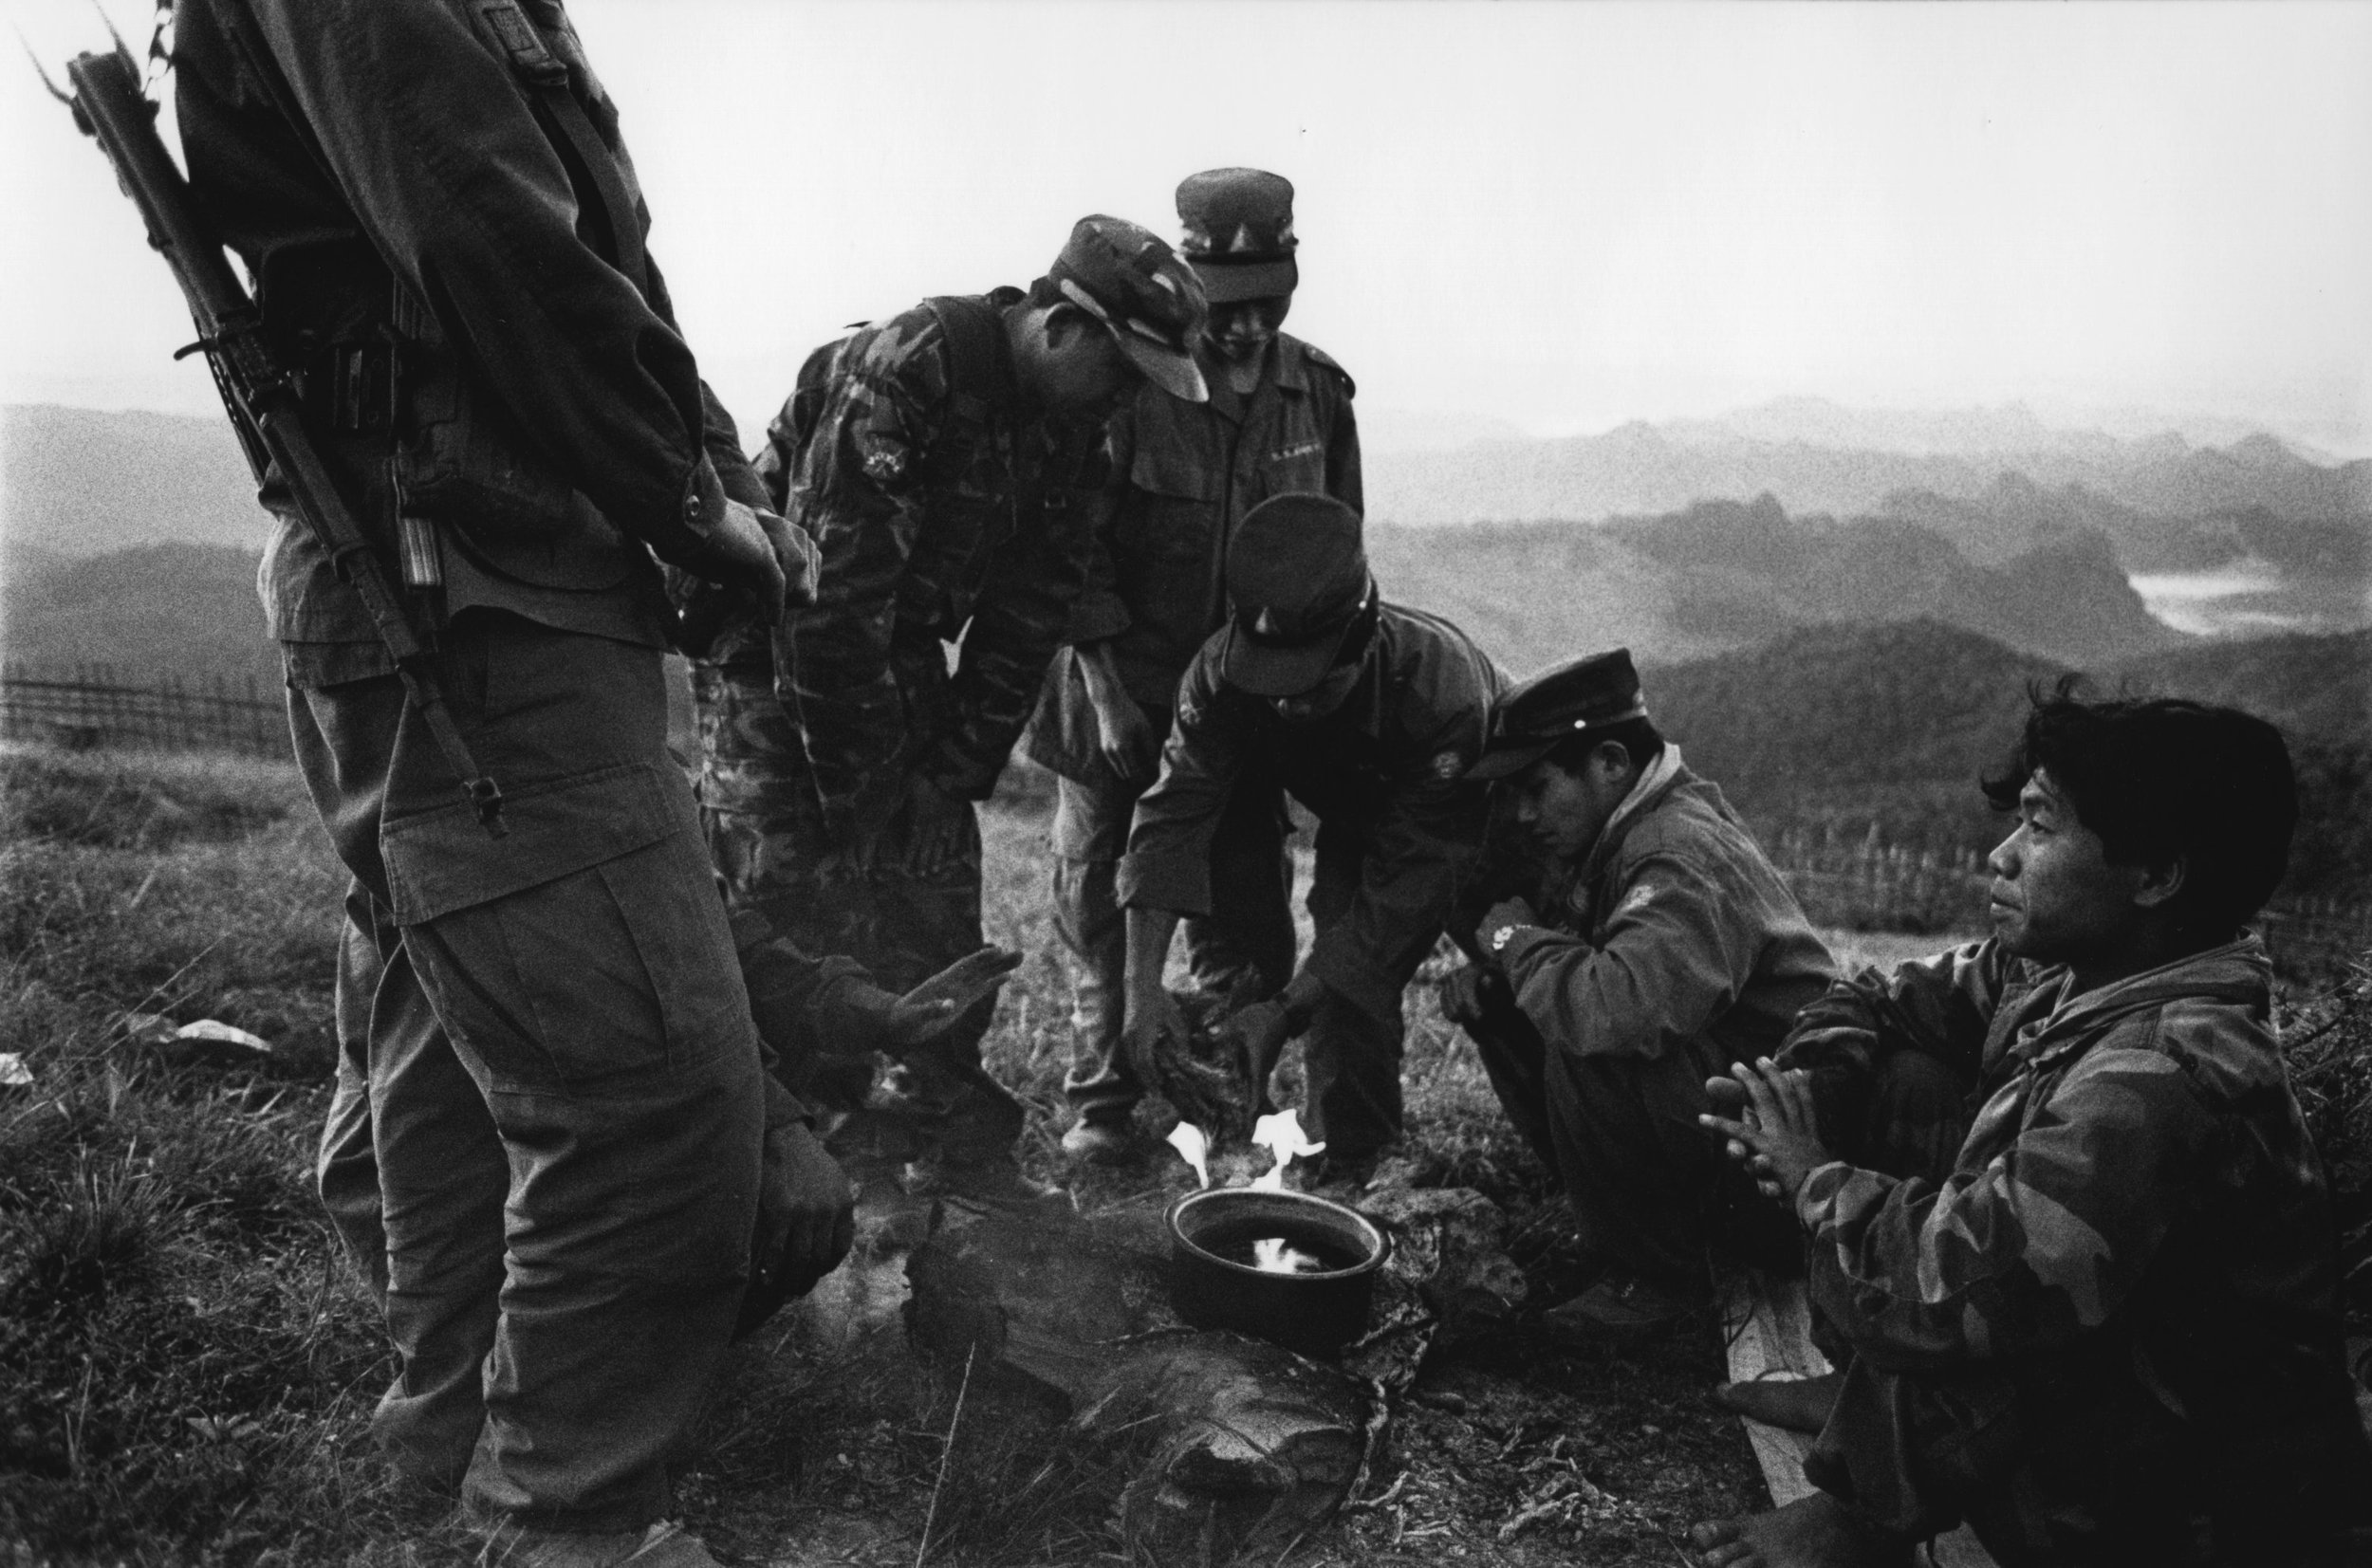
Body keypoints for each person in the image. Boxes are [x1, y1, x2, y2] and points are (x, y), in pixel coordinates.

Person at [172, 0, 846, 1562]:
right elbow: (493, 242)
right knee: (651, 1116)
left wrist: (719, 486)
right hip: (479, 590)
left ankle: (451, 1425)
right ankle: (562, 1528)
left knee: (452, 1034)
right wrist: (695, 507)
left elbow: (596, 271)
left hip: (466, 583)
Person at [1694, 688, 2372, 1568]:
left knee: (1990, 1286)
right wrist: (1817, 1087)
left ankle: (1861, 1515)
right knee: (1898, 1077)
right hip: (2119, 1396)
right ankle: (1860, 1400)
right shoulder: (2073, 971)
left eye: (2041, 828)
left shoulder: (2167, 1075)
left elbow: (1964, 1289)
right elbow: (1874, 997)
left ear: (2156, 875)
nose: (2002, 855)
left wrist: (1813, 1173)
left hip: (2197, 1498)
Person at [691, 217, 1207, 1182]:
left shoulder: (1074, 435)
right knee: (794, 907)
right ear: (1060, 328)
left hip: (896, 657)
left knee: (932, 900)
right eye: (1123, 371)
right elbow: (829, 611)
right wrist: (869, 804)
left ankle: (936, 1148)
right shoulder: (908, 371)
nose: (1127, 401)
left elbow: (1025, 622)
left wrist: (946, 782)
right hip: (771, 655)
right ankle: (782, 1160)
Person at [1025, 168, 1362, 1162]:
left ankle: (1223, 1107)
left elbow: (1336, 550)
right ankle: (1104, 1111)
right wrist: (1103, 690)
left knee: (1246, 928)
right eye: (1228, 309)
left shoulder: (1319, 395)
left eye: (1266, 308)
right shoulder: (1142, 382)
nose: (1246, 330)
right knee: (1104, 918)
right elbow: (1069, 546)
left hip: (1246, 714)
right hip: (1116, 703)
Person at [1441, 651, 1836, 1337]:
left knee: (1597, 1031)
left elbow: (1619, 1011)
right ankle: (1611, 1211)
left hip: (1798, 1164)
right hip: (1744, 1115)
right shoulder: (1628, 830)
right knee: (1516, 997)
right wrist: (1510, 968)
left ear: (1613, 763)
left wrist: (1515, 944)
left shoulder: (1675, 851)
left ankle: (1656, 1277)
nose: (1524, 814)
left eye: (1537, 786)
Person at [1117, 492, 1503, 1184]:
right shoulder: (1222, 675)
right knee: (1336, 951)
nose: (1287, 705)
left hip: (1480, 827)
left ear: (1362, 643)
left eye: (1310, 688)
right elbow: (1172, 819)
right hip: (1357, 818)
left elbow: (1399, 900)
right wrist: (1141, 988)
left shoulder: (1441, 694)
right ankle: (1343, 1165)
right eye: (1273, 687)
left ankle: (1385, 1166)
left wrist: (1285, 1011)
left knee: (1410, 974)